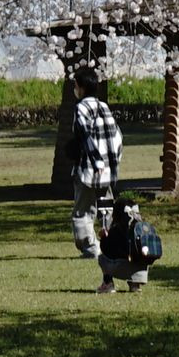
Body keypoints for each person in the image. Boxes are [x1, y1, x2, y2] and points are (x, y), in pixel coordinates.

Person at [66, 85, 123, 256]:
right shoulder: (104, 106)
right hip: (107, 168)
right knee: (106, 208)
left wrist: (96, 161)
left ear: (81, 88)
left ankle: (90, 246)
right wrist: (112, 162)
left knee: (83, 210)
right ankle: (111, 244)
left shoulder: (81, 108)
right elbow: (117, 135)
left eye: (76, 85)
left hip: (88, 168)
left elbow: (85, 135)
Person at [96, 195, 162, 294]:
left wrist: (104, 238)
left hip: (122, 267)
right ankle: (135, 285)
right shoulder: (141, 228)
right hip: (141, 270)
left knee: (102, 258)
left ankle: (108, 284)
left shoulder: (116, 229)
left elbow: (106, 250)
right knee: (136, 255)